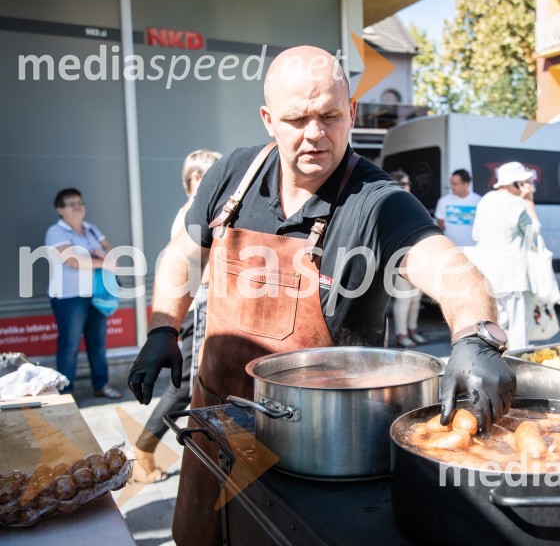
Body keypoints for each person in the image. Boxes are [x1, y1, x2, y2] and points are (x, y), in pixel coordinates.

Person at [126, 46, 515, 546]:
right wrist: (162, 326)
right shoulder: (233, 176)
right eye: (296, 118)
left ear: (351, 113)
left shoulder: (379, 202)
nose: (314, 134)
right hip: (215, 424)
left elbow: (452, 270)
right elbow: (182, 253)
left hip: (318, 448)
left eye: (330, 116)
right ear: (269, 119)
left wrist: (476, 337)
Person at [132, 149, 221, 484]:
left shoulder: (199, 209)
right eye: (216, 173)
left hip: (203, 305)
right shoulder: (192, 212)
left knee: (196, 384)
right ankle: (143, 451)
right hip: (197, 307)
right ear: (197, 179)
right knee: (184, 385)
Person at [45, 188, 122, 399]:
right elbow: (72, 261)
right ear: (60, 210)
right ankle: (65, 393)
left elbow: (112, 254)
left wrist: (103, 257)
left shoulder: (92, 229)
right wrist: (103, 261)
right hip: (69, 298)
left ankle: (101, 385)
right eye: (71, 204)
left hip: (96, 295)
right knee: (69, 345)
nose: (78, 207)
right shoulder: (56, 231)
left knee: (98, 342)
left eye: (80, 202)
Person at [470, 162, 540, 349]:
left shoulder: (484, 200)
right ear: (515, 183)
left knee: (496, 325)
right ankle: (518, 368)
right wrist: (530, 200)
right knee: (518, 328)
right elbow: (534, 233)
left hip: (488, 272)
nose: (527, 186)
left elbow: (475, 234)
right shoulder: (517, 203)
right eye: (524, 182)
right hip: (514, 274)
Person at [389, 170, 428, 347]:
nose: (408, 186)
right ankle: (401, 334)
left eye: (408, 183)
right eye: (405, 183)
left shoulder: (410, 201)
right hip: (400, 258)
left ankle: (412, 330)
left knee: (415, 299)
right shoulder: (391, 202)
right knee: (404, 298)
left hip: (417, 258)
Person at [434, 169, 481, 247]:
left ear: (466, 184)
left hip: (473, 249)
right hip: (450, 250)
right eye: (451, 183)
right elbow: (440, 223)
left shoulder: (478, 201)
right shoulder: (443, 201)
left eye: (455, 184)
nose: (451, 187)